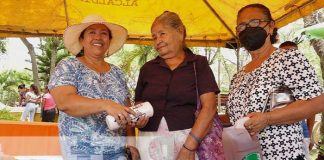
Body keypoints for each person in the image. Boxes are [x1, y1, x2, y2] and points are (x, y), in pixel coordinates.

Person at [227, 3, 323, 159]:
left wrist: (267, 119)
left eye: (255, 22)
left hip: (283, 154)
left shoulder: (287, 59)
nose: (248, 28)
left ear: (271, 27)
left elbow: (317, 102)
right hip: (248, 155)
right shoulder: (238, 76)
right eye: (242, 26)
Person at [48, 15, 140, 159]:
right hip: (80, 153)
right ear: (81, 39)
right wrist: (105, 104)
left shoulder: (117, 73)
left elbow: (127, 112)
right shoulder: (68, 66)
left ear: (109, 40)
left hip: (118, 154)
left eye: (104, 33)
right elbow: (64, 102)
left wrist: (131, 144)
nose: (98, 37)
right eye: (92, 32)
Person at [135, 11, 223, 160]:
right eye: (154, 37)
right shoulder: (147, 68)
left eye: (162, 33)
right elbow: (138, 105)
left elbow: (209, 107)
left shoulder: (198, 64)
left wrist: (189, 146)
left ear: (180, 31)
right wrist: (139, 121)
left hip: (188, 140)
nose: (158, 41)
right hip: (149, 142)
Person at [279, 41, 315, 159]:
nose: (289, 56)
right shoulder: (275, 77)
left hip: (301, 131)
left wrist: (310, 134)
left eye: (293, 52)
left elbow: (312, 109)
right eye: (284, 53)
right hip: (278, 135)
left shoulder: (303, 78)